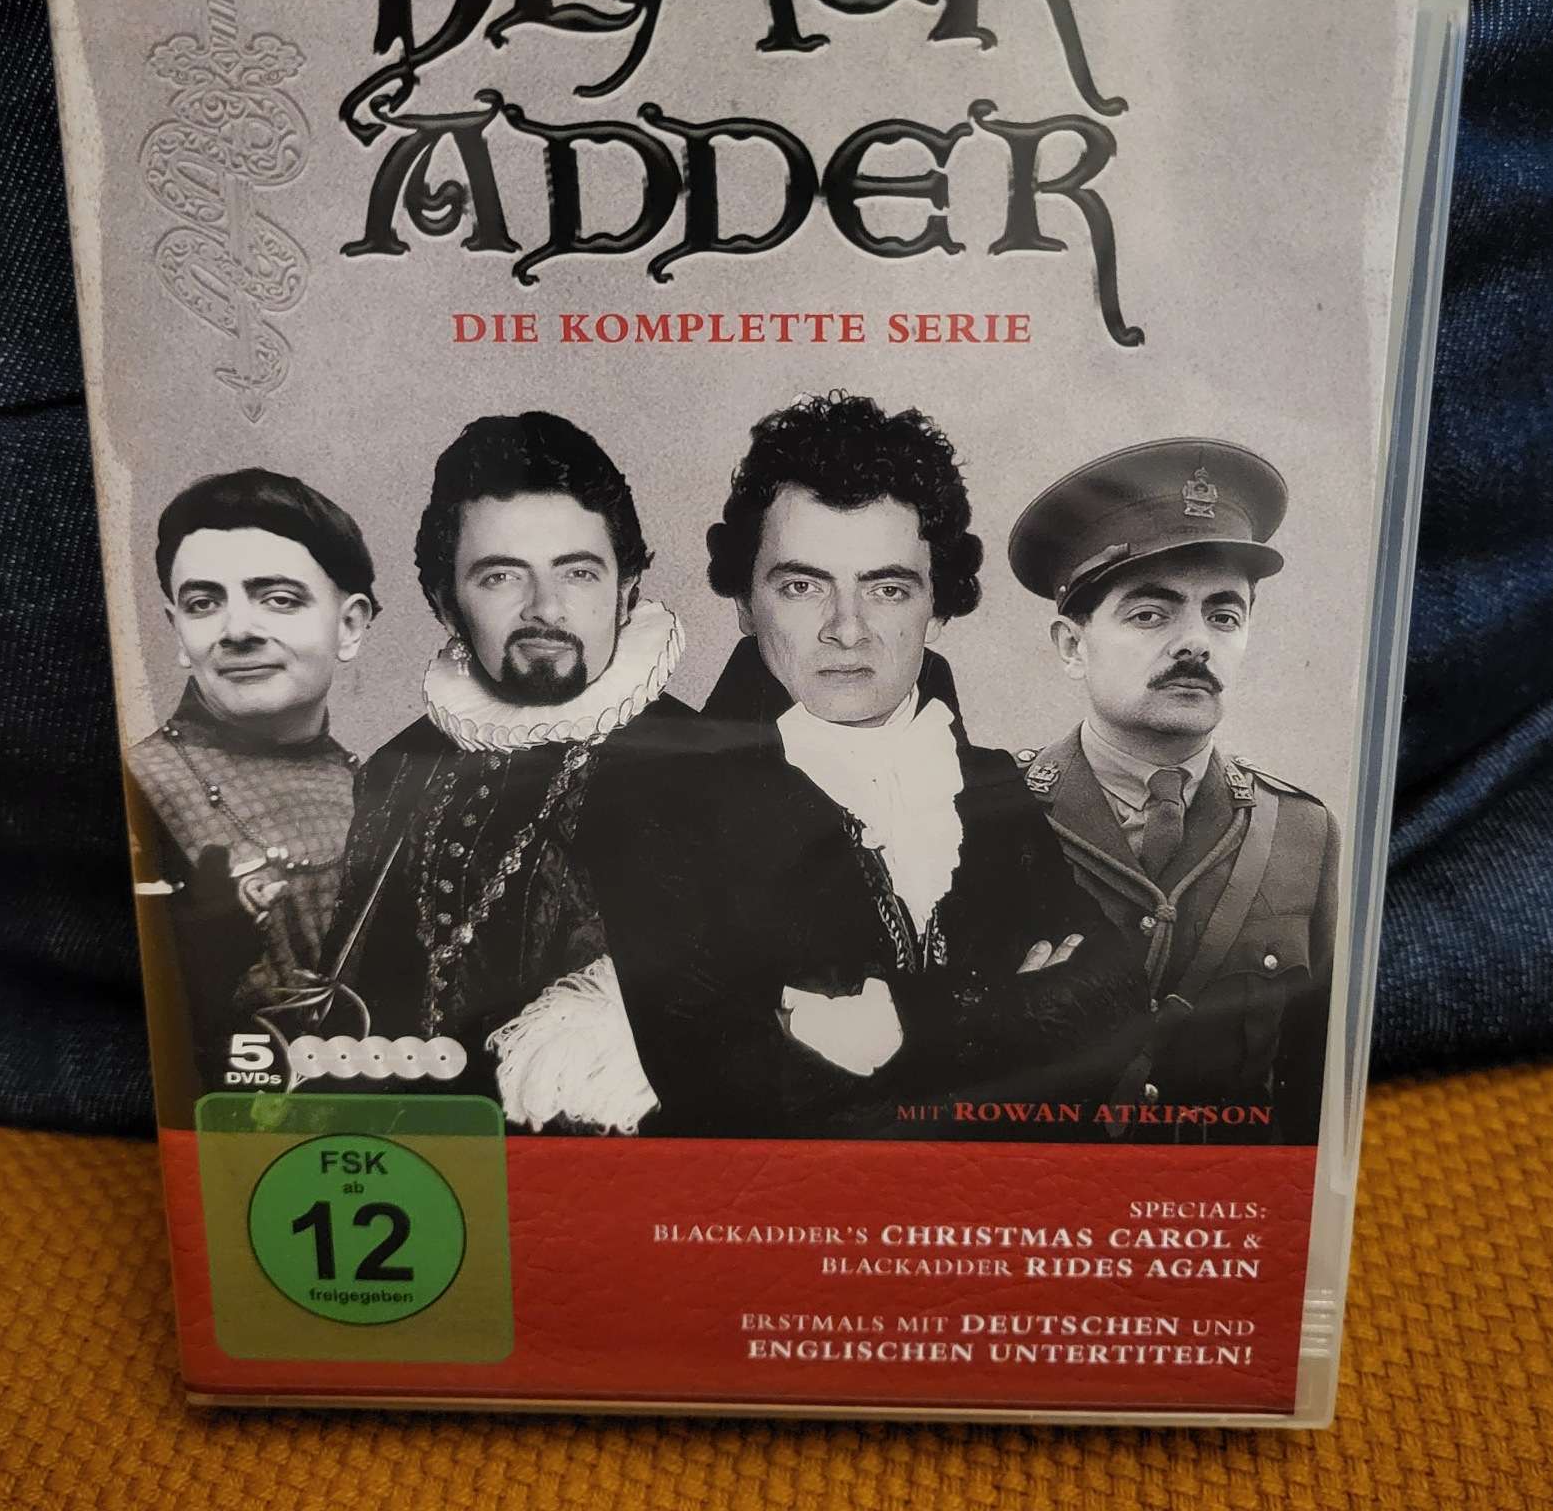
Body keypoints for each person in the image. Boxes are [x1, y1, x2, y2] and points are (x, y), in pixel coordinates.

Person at [583, 392, 1142, 1138]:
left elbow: (1117, 999)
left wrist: (907, 1023)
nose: (847, 630)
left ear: (938, 607)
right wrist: (1018, 1022)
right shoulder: (657, 792)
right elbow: (733, 1100)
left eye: (886, 589)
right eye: (802, 586)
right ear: (745, 602)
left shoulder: (989, 781)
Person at [322, 412, 693, 1132]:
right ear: (445, 604)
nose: (545, 609)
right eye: (500, 576)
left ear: (626, 590)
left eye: (578, 573)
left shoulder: (711, 772)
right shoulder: (395, 772)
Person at [1008, 439, 1340, 1142]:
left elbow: (1313, 1101)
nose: (1196, 643)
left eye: (1224, 616)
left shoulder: (1303, 834)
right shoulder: (979, 813)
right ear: (1072, 646)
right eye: (1151, 614)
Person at [126, 469, 377, 1075]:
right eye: (203, 604)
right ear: (178, 632)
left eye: (279, 599)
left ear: (348, 625)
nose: (237, 631)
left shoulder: (381, 788)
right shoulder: (140, 787)